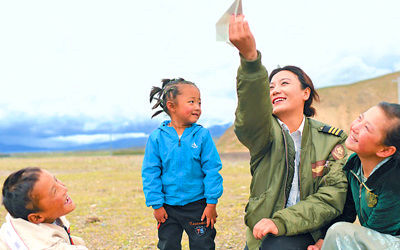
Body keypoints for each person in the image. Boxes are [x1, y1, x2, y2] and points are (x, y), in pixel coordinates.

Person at [229, 15, 349, 250]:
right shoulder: (263, 135)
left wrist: (281, 222)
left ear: (306, 93)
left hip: (311, 232)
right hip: (262, 234)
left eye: (284, 83)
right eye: (271, 87)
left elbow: (332, 197)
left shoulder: (332, 140)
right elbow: (250, 115)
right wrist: (250, 60)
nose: (275, 90)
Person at [141, 78, 223, 250]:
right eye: (191, 102)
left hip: (198, 205)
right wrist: (157, 205)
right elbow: (150, 173)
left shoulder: (202, 135)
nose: (197, 107)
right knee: (168, 245)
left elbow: (212, 170)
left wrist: (211, 203)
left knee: (203, 245)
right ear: (171, 106)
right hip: (167, 207)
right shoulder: (157, 138)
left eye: (199, 102)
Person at [308, 102, 400, 250]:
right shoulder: (354, 164)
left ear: (385, 151)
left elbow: (376, 233)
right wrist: (324, 240)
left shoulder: (394, 183)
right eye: (360, 118)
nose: (355, 127)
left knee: (339, 232)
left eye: (367, 128)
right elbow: (347, 211)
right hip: (377, 238)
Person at [0, 167, 87, 250]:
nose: (64, 188)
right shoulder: (42, 246)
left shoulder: (22, 214)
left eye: (56, 180)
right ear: (37, 217)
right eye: (55, 191)